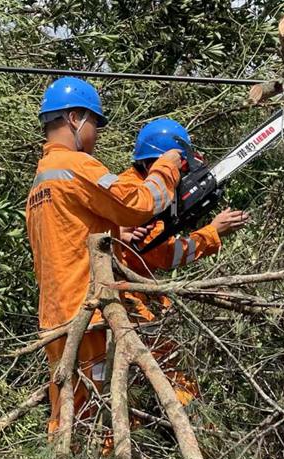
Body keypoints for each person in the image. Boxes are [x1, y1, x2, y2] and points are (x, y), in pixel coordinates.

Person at [25, 77, 183, 434]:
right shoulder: (76, 166)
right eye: (94, 123)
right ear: (74, 118)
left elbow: (70, 236)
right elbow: (140, 203)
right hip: (87, 311)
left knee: (70, 412)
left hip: (56, 316)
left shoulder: (41, 181)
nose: (95, 134)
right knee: (99, 415)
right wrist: (167, 167)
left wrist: (115, 233)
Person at [119, 118, 250, 405]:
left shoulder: (136, 183)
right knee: (170, 369)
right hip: (128, 297)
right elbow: (164, 254)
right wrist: (213, 232)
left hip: (142, 289)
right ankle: (192, 422)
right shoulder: (137, 193)